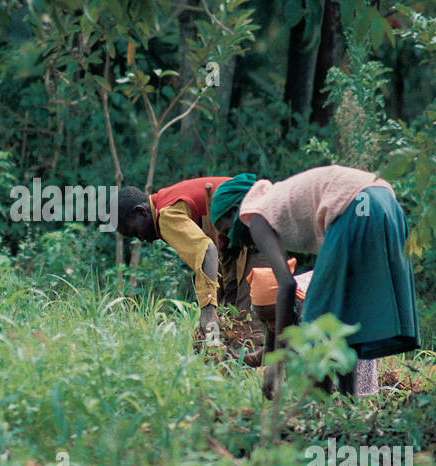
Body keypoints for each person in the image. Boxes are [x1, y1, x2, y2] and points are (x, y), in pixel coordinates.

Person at [209, 166, 419, 394]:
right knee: (343, 316)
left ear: (234, 213)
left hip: (356, 204)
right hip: (384, 202)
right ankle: (348, 408)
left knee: (316, 323)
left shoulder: (257, 217)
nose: (229, 239)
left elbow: (287, 285)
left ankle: (320, 410)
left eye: (224, 228)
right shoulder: (277, 202)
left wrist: (276, 365)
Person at [115, 176, 266, 344]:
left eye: (136, 232)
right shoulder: (165, 199)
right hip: (245, 230)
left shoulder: (165, 215)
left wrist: (207, 309)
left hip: (254, 223)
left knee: (250, 325)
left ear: (141, 211)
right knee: (232, 321)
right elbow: (214, 251)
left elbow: (207, 251)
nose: (141, 239)